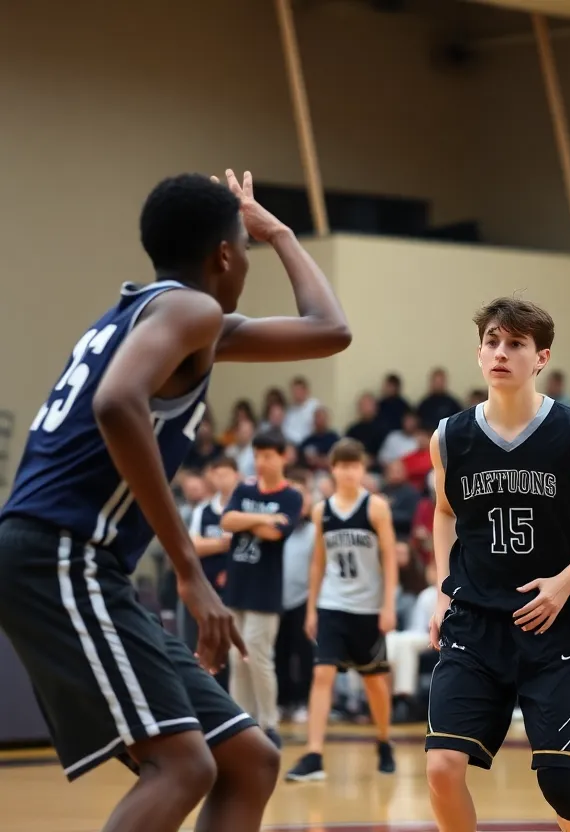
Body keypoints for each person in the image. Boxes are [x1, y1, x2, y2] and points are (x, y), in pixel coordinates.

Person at [0, 169, 350, 832]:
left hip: (74, 559)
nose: (250, 258)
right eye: (247, 247)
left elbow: (330, 330)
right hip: (59, 553)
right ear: (223, 255)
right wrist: (189, 569)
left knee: (248, 758)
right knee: (184, 766)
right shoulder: (192, 310)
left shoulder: (168, 316)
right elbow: (115, 403)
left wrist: (275, 232)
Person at [424, 297, 570, 832]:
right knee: (442, 766)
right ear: (478, 354)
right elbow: (445, 513)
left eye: (516, 344)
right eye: (493, 342)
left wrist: (567, 584)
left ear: (540, 357)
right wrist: (442, 590)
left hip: (551, 625)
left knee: (559, 784)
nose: (502, 352)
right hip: (474, 622)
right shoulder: (449, 438)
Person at [285, 438, 399, 781]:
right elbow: (318, 563)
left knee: (375, 684)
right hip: (332, 604)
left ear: (363, 470)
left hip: (367, 608)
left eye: (355, 466)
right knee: (322, 674)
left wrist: (388, 605)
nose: (349, 472)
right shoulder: (322, 511)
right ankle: (314, 755)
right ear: (332, 470)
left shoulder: (376, 507)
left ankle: (383, 740)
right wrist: (311, 610)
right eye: (343, 466)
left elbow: (390, 558)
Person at [220, 428, 304, 749]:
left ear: (283, 457)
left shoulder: (291, 496)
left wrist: (245, 519)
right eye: (257, 455)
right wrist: (261, 519)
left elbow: (276, 535)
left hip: (265, 592)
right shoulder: (244, 488)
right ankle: (240, 723)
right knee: (236, 656)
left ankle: (269, 724)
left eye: (268, 455)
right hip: (237, 587)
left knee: (258, 656)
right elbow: (226, 522)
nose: (261, 462)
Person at [182, 456, 240, 691]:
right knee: (205, 644)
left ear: (237, 475)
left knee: (232, 648)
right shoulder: (203, 510)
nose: (222, 478)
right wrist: (222, 544)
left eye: (226, 473)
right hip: (206, 588)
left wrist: (212, 544)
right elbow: (192, 546)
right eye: (217, 473)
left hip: (236, 589)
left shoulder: (241, 509)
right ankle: (205, 692)